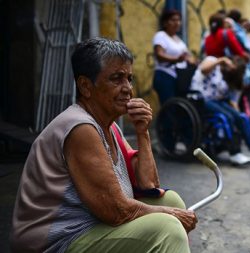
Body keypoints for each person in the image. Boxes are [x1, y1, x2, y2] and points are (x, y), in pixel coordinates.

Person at [10, 38, 197, 253]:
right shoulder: (80, 128)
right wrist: (170, 215)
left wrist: (142, 131)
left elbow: (149, 184)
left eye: (129, 78)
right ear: (85, 86)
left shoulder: (109, 126)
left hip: (93, 227)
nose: (128, 89)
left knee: (170, 200)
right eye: (116, 79)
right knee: (168, 227)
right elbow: (116, 211)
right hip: (59, 242)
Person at [190, 55, 250, 165]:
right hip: (201, 99)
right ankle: (235, 153)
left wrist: (238, 115)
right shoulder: (213, 61)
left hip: (218, 101)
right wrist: (221, 60)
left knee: (240, 117)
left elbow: (232, 100)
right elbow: (203, 69)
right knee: (227, 117)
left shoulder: (229, 78)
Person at [152, 9, 195, 105]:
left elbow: (188, 56)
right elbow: (159, 54)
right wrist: (176, 59)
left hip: (177, 78)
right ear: (165, 23)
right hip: (164, 76)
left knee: (177, 107)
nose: (177, 23)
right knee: (169, 106)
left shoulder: (179, 40)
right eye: (173, 20)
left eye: (178, 20)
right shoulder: (161, 36)